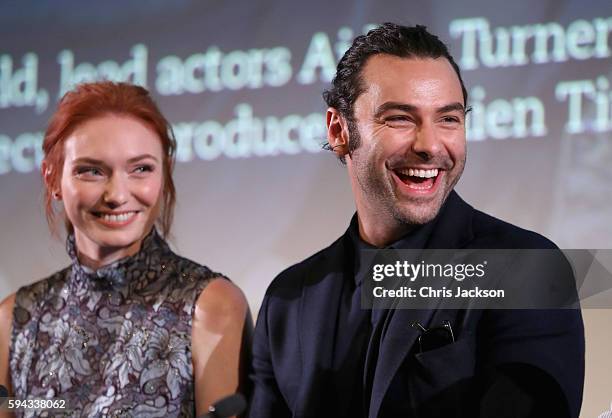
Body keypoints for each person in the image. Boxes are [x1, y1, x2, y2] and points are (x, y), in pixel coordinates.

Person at [250, 23, 584, 418]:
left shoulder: (526, 268)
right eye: (399, 119)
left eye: (449, 119)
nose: (429, 145)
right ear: (339, 130)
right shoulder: (287, 301)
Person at [0, 81, 251, 417]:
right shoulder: (16, 319)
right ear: (52, 179)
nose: (117, 194)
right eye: (91, 171)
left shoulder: (211, 307)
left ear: (165, 172)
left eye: (141, 169)